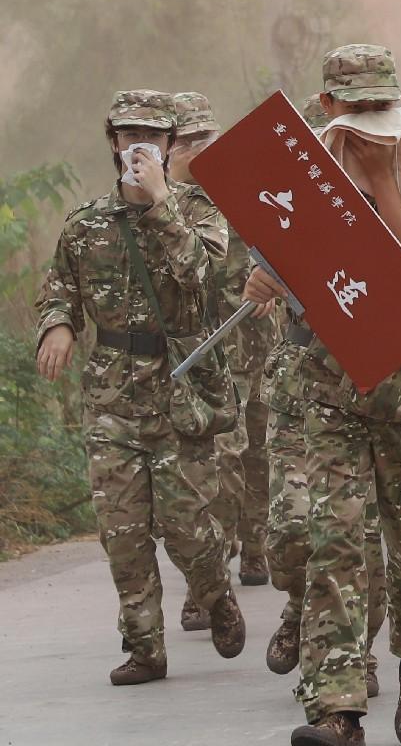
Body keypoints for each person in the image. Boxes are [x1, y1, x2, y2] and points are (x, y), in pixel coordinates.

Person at [244, 44, 401, 746]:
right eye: (355, 106)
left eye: (381, 105)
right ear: (328, 105)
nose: (369, 119)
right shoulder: (296, 177)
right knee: (334, 538)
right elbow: (270, 256)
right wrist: (262, 279)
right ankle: (338, 711)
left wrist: (380, 178)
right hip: (327, 387)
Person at [35, 89, 245, 685]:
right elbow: (59, 289)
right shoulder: (86, 223)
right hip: (111, 396)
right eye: (129, 136)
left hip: (179, 392)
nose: (139, 147)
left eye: (152, 137)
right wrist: (58, 326)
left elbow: (205, 279)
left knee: (187, 528)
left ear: (171, 145)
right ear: (113, 143)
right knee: (121, 531)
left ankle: (215, 592)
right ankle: (144, 646)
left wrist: (160, 203)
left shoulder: (198, 212)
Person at [261, 97, 388, 700]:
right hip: (299, 383)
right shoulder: (287, 202)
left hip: (368, 387)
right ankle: (299, 606)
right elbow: (255, 267)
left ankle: (350, 661)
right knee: (290, 530)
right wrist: (261, 277)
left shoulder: (395, 198)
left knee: (353, 535)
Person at [170, 91, 279, 599]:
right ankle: (210, 574)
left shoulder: (247, 188)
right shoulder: (164, 204)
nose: (198, 149)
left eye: (205, 137)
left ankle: (256, 546)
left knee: (260, 450)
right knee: (218, 457)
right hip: (203, 352)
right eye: (186, 140)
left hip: (259, 343)